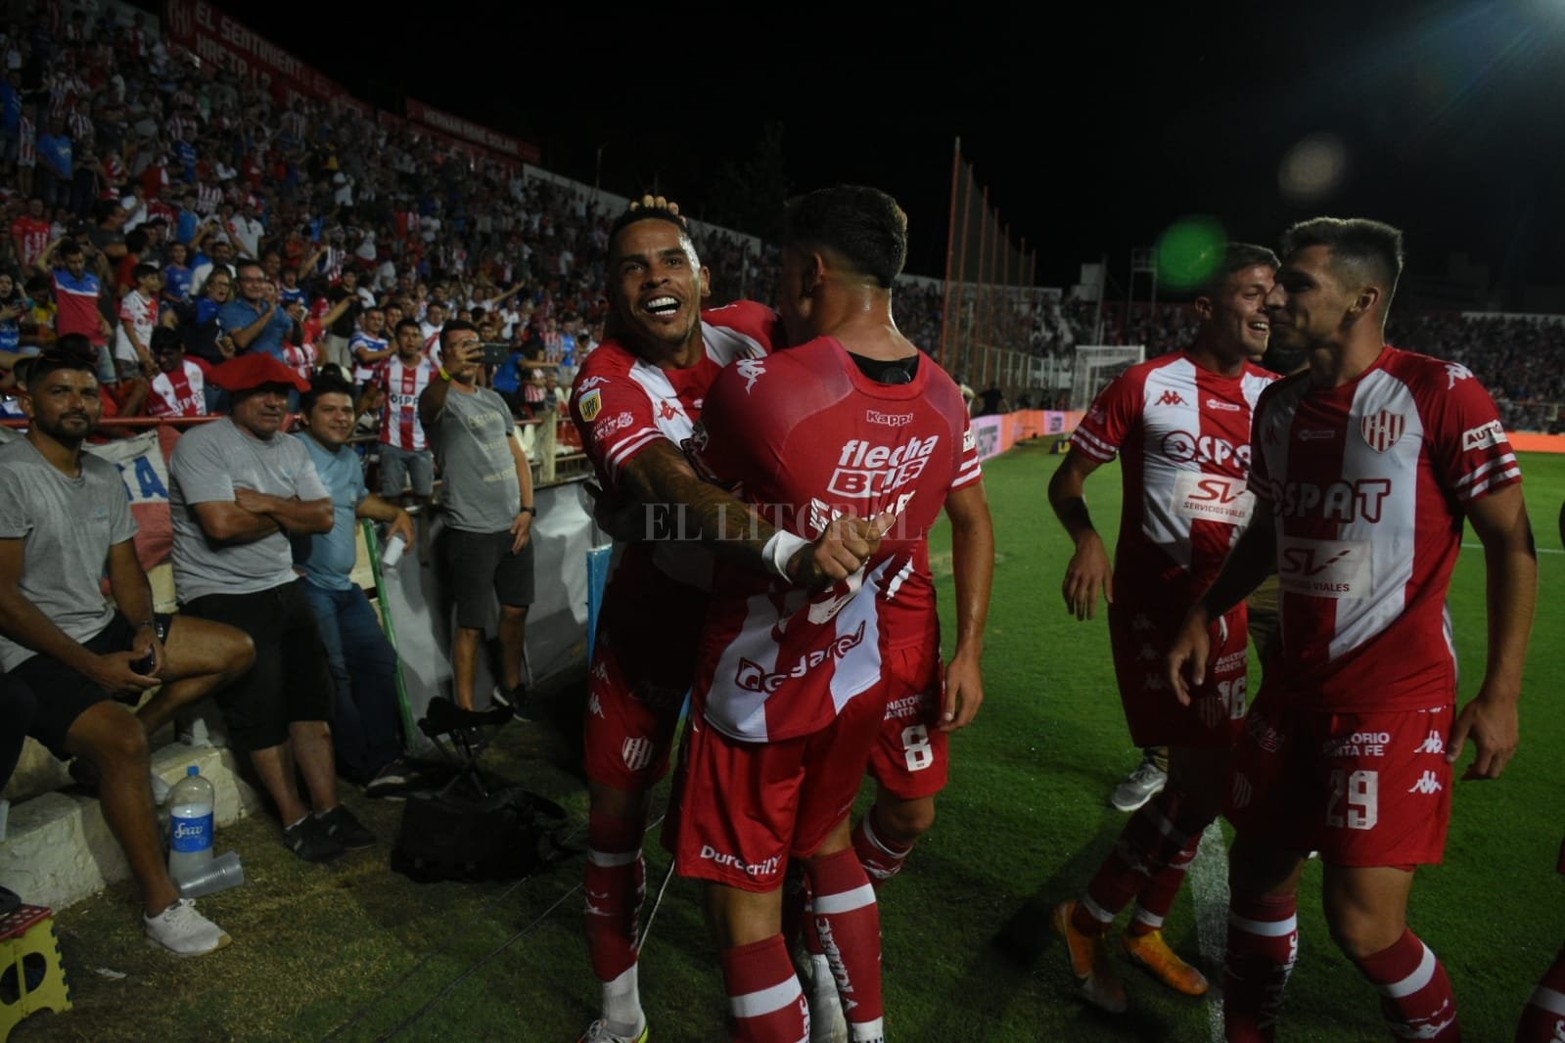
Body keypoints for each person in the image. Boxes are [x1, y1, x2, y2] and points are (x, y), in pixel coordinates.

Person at [1166, 218, 1536, 1042]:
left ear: (1362, 299)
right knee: (1259, 873)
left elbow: (1510, 541)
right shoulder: (1279, 403)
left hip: (1389, 701)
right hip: (1291, 689)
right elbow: (1268, 529)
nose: (1272, 299)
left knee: (1363, 925)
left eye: (1295, 284)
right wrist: (1207, 607)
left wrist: (1500, 692)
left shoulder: (1438, 393)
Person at [671, 185, 974, 1043]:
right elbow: (919, 531)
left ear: (808, 271)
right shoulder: (947, 400)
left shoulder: (761, 387)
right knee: (831, 844)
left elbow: (686, 502)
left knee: (748, 919)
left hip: (757, 686)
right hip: (856, 675)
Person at [567, 197, 785, 1043]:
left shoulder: (758, 329)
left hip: (751, 631)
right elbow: (665, 490)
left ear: (703, 275)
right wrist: (784, 543)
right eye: (632, 265)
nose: (654, 276)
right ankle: (619, 1015)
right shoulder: (604, 378)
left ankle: (806, 978)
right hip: (653, 627)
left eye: (670, 260)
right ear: (613, 293)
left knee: (763, 832)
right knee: (614, 824)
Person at [1046, 243, 1280, 1012]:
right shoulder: (1146, 384)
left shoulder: (1278, 398)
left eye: (1273, 295)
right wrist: (1086, 537)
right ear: (1206, 308)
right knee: (1200, 779)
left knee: (1205, 789)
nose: (1267, 307)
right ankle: (1088, 920)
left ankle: (1142, 927)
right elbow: (1067, 479)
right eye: (1251, 293)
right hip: (1155, 610)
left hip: (1227, 610)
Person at [0, 340, 254, 955]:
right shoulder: (10, 474)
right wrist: (91, 666)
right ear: (28, 401)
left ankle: (110, 761)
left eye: (88, 391)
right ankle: (161, 905)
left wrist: (141, 630)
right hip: (28, 649)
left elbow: (127, 571)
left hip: (102, 626)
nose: (78, 403)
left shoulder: (103, 473)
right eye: (60, 391)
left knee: (234, 649)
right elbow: (3, 599)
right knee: (123, 739)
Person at [169, 352, 377, 862]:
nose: (272, 401)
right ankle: (294, 817)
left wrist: (263, 503)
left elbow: (325, 516)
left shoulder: (289, 446)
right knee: (261, 713)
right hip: (222, 593)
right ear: (234, 396)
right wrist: (290, 513)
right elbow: (221, 526)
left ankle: (328, 808)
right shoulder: (203, 444)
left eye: (280, 393)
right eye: (260, 391)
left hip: (282, 584)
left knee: (312, 704)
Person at [293, 371, 418, 795]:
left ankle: (386, 756)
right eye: (328, 410)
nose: (341, 418)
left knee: (380, 661)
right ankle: (361, 765)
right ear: (306, 417)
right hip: (307, 584)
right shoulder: (293, 454)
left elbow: (359, 499)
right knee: (337, 674)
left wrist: (395, 514)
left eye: (347, 410)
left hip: (342, 587)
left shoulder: (347, 457)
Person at [418, 320, 536, 714]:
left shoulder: (493, 399)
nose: (468, 351)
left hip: (513, 526)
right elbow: (428, 404)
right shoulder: (438, 398)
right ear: (444, 355)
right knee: (470, 624)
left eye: (473, 344)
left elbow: (517, 455)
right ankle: (465, 710)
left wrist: (527, 509)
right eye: (457, 346)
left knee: (516, 610)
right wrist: (447, 372)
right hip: (470, 530)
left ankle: (510, 688)